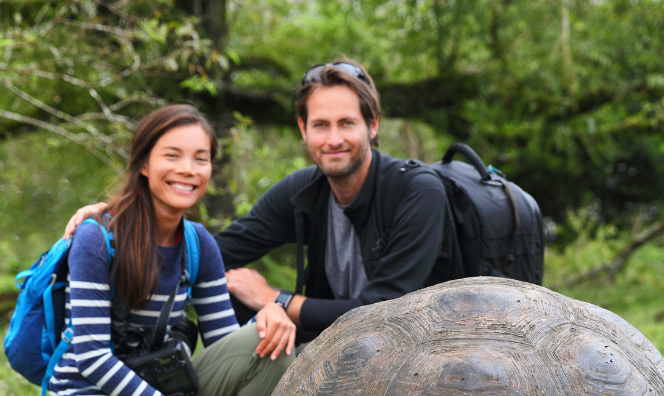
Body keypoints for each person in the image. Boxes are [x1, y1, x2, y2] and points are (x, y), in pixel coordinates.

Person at [67, 59, 462, 347]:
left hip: (421, 347)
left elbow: (382, 313)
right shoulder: (304, 191)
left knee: (255, 296)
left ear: (372, 126)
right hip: (336, 343)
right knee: (234, 289)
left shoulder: (418, 192)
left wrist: (276, 300)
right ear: (303, 130)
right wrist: (119, 218)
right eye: (321, 125)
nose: (333, 139)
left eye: (347, 124)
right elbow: (210, 252)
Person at [53, 104, 294, 396]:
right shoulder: (96, 237)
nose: (188, 169)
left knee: (271, 341)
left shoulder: (199, 243)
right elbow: (91, 358)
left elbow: (225, 345)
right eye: (172, 155)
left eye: (200, 159)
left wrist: (268, 314)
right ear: (144, 163)